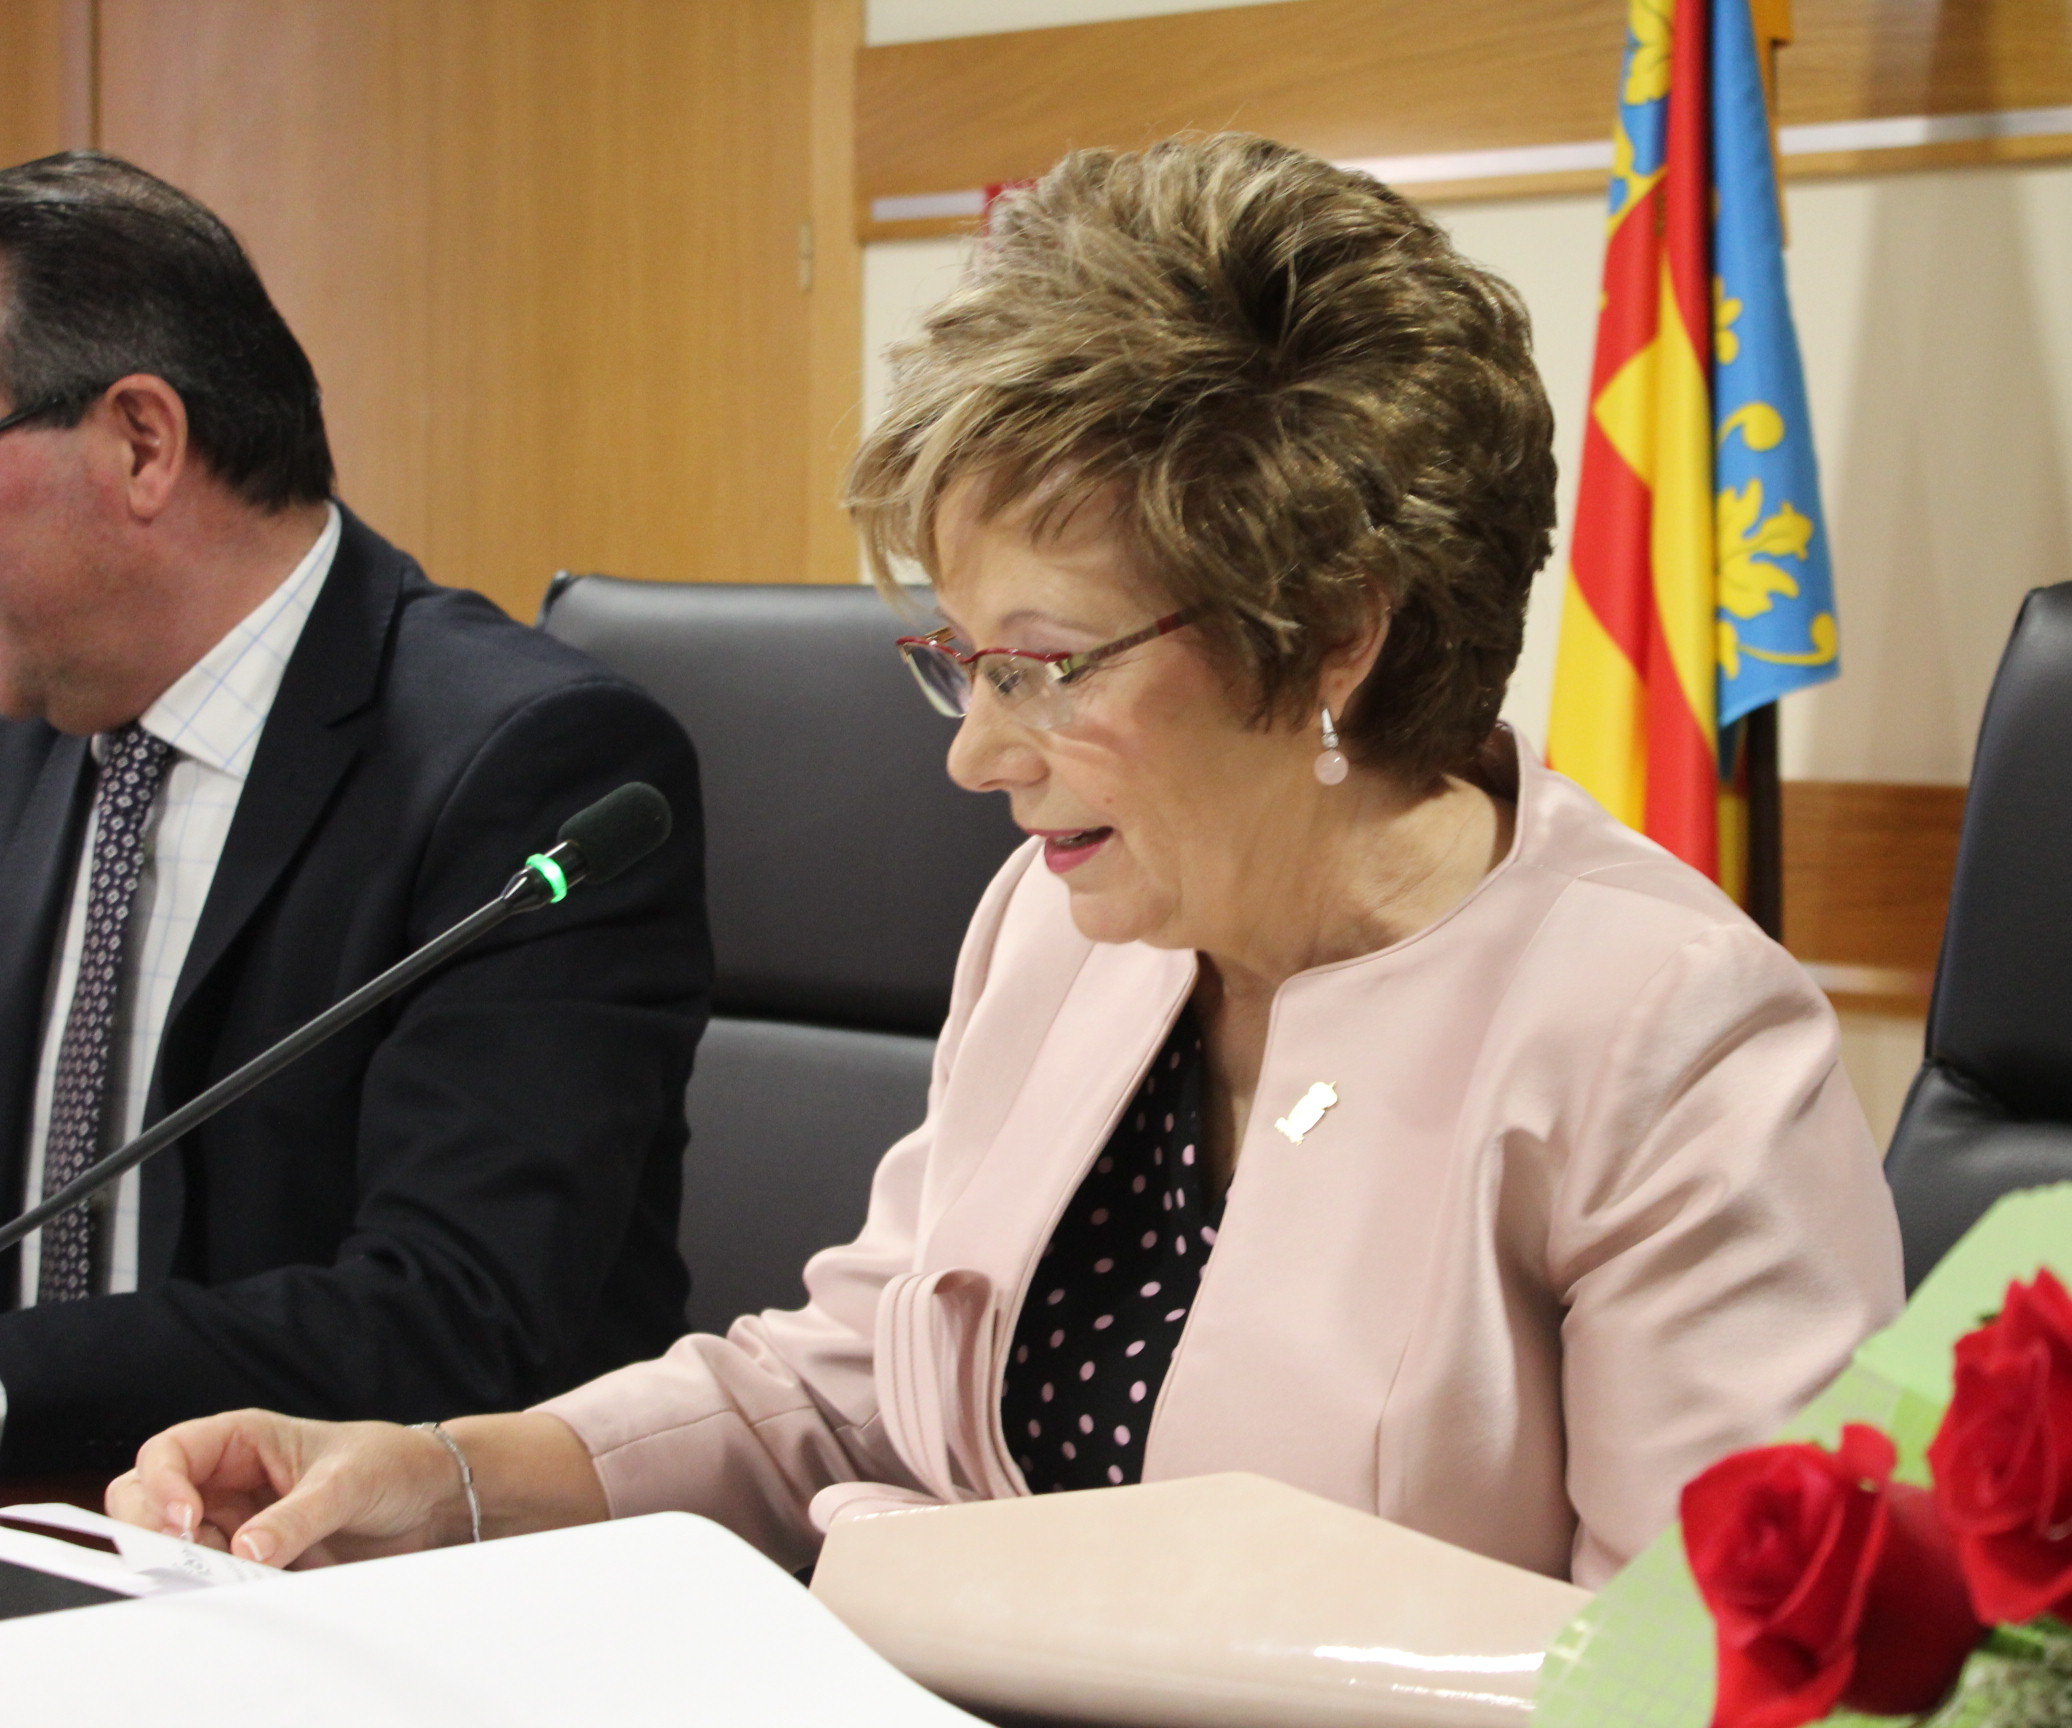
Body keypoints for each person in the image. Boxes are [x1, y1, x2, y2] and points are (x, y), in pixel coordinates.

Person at [111, 134, 1900, 1587]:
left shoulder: (1667, 1041)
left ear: (1332, 635)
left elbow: (1722, 1678)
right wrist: (440, 1475)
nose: (976, 753)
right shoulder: (1064, 931)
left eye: (1043, 667)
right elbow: (844, 1393)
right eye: (961, 662)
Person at [0, 153, 710, 1469]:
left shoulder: (532, 767)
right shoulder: (32, 727)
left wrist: (11, 1389)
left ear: (141, 443)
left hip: (367, 1553)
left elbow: (459, 1313)